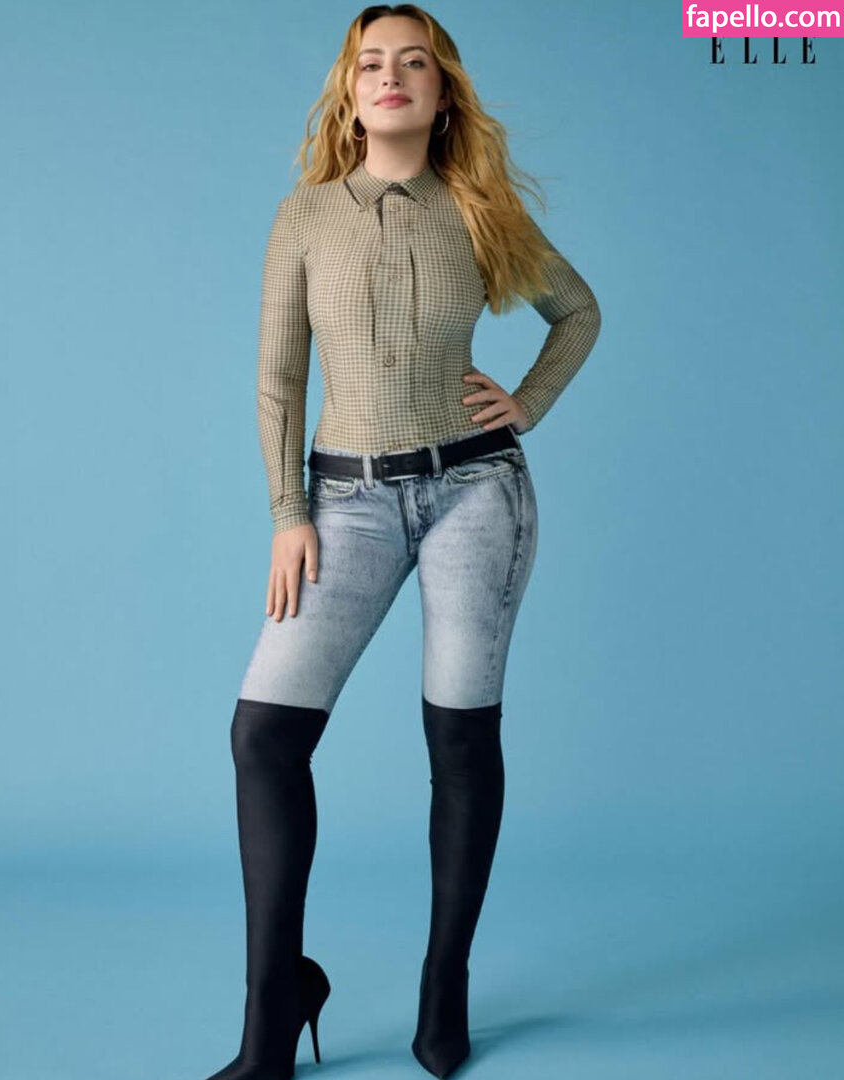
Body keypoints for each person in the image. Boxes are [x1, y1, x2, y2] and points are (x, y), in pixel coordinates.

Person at [202, 5, 601, 1079]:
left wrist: (525, 403)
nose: (391, 76)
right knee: (262, 736)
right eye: (371, 62)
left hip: (476, 493)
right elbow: (278, 377)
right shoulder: (305, 215)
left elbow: (577, 312)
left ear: (440, 91)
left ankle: (443, 981)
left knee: (458, 740)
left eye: (412, 62)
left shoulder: (479, 210)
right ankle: (273, 1011)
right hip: (346, 502)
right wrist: (287, 514)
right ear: (349, 91)